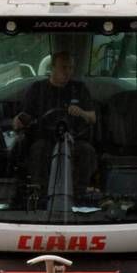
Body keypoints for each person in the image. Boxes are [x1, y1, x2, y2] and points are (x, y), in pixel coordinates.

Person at [15, 50, 98, 198]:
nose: (68, 72)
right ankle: (40, 193)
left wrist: (82, 112)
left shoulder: (79, 89)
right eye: (63, 67)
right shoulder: (37, 89)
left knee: (87, 151)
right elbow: (24, 116)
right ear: (52, 67)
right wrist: (19, 121)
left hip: (74, 138)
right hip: (45, 138)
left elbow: (93, 117)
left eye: (71, 68)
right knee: (38, 150)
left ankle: (79, 193)